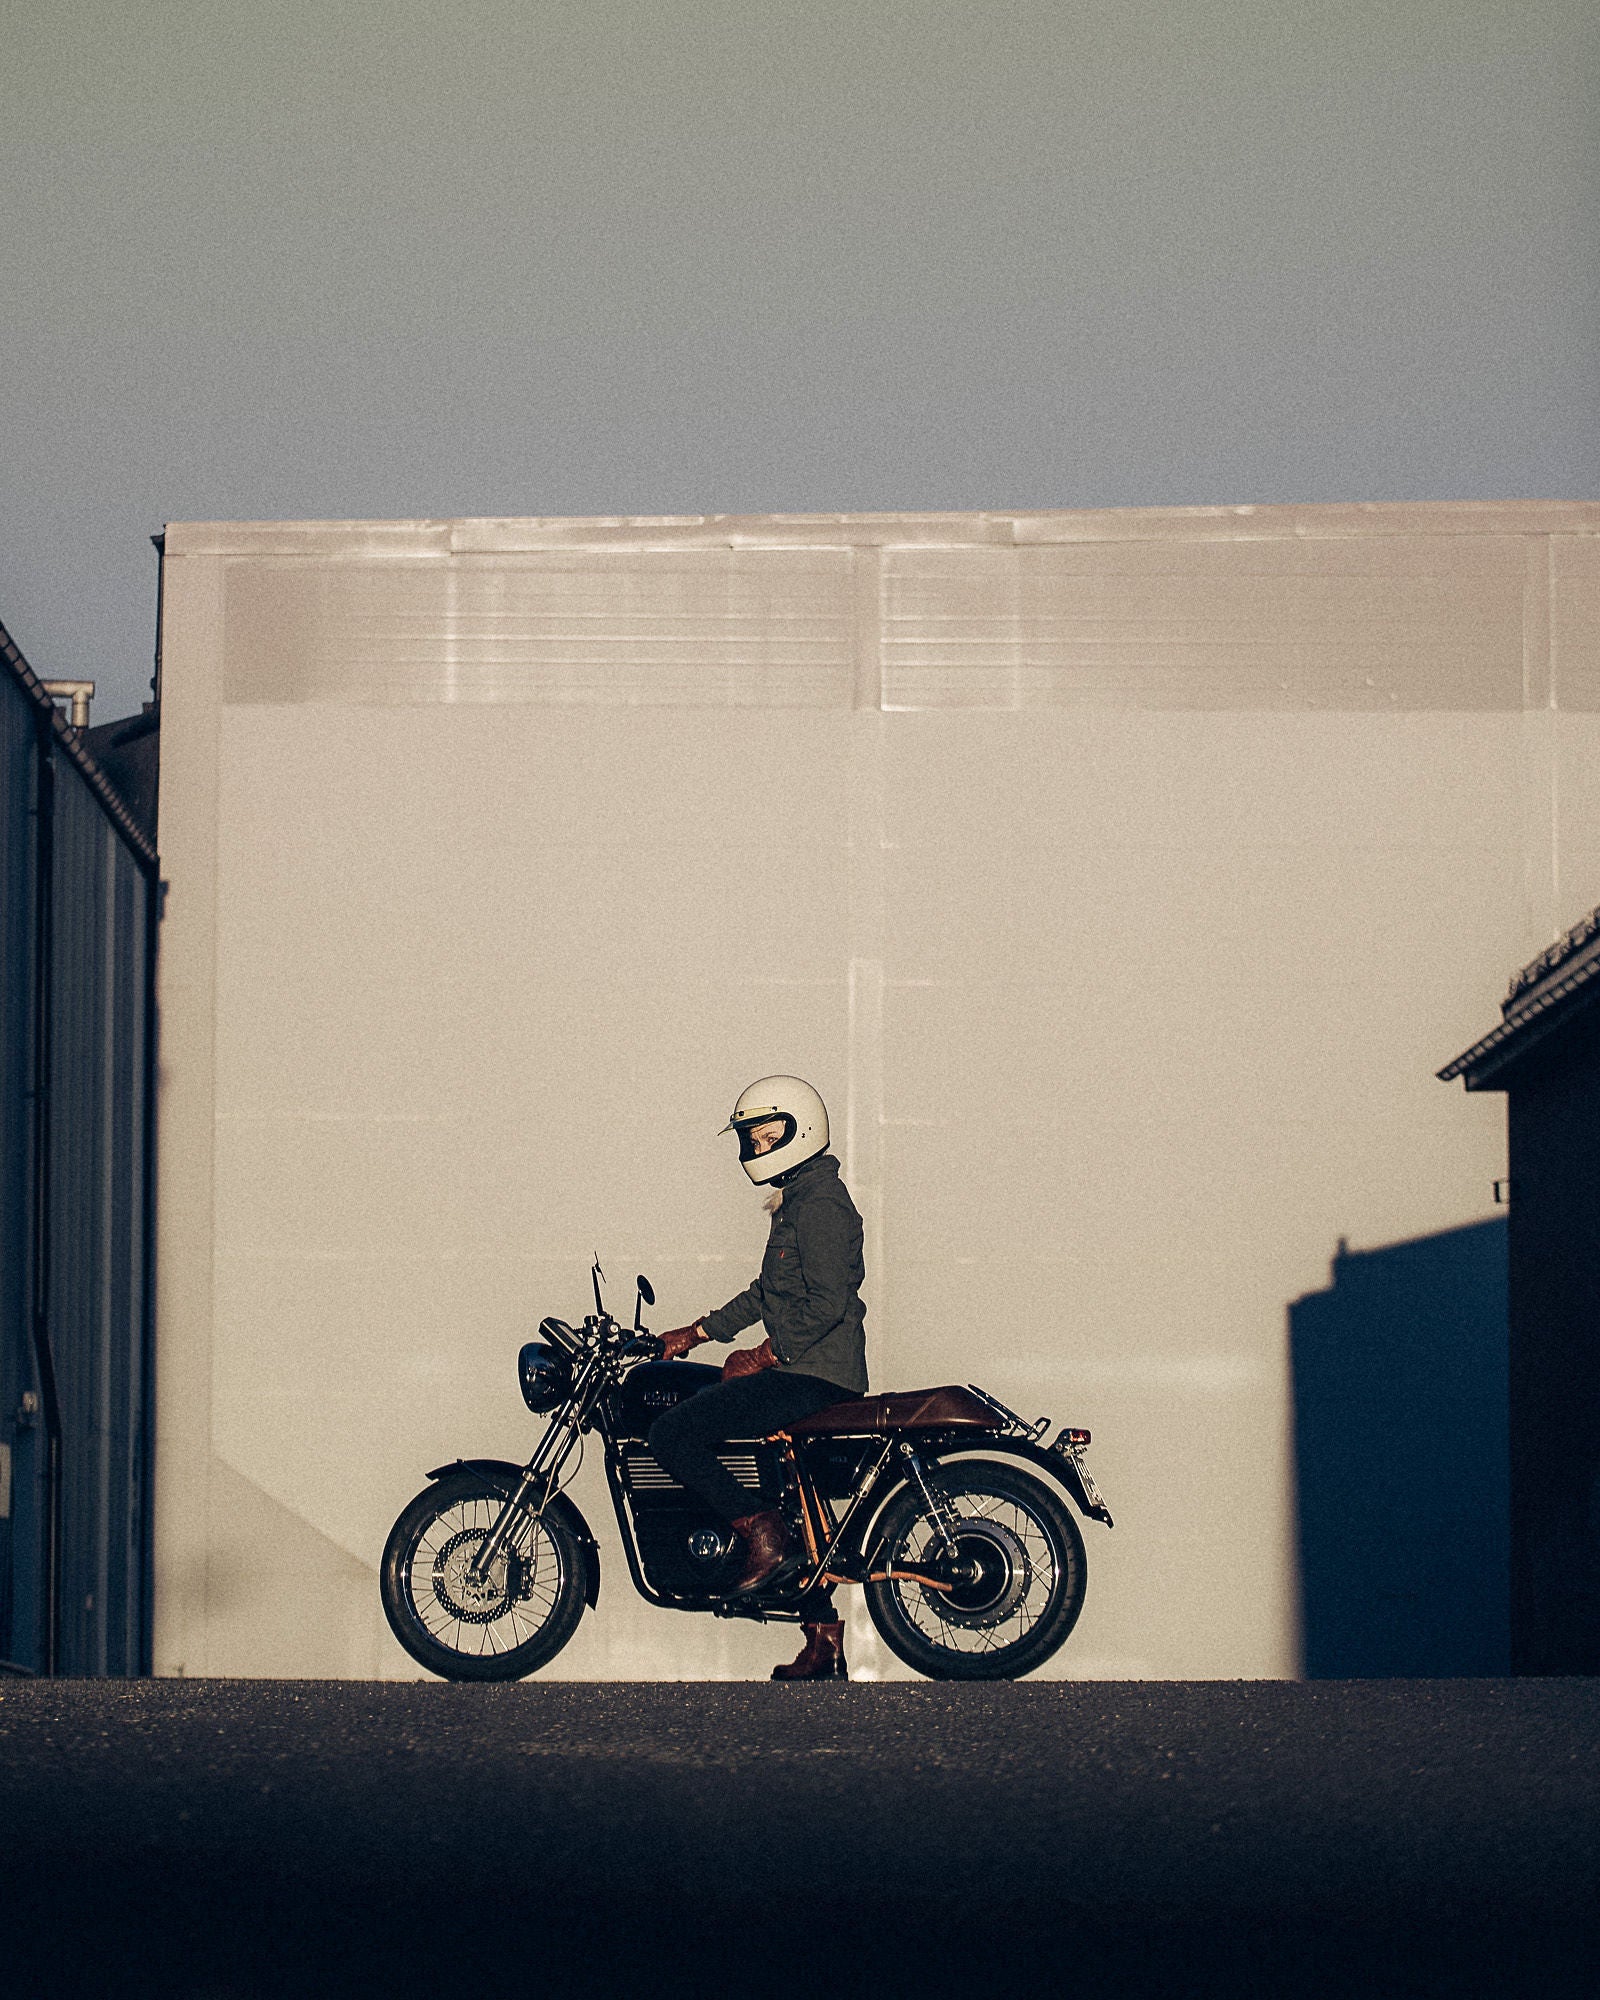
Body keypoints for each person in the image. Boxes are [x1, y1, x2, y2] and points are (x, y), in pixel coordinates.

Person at [648, 1076, 867, 1682]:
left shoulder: (820, 1205)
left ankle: (761, 1534)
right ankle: (822, 1642)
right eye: (753, 1138)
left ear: (803, 1130)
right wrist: (694, 1333)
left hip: (816, 1374)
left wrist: (768, 1354)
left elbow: (829, 1302)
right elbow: (766, 1293)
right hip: (806, 1368)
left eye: (768, 1135)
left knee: (673, 1433)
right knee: (788, 1493)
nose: (758, 1147)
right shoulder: (798, 1198)